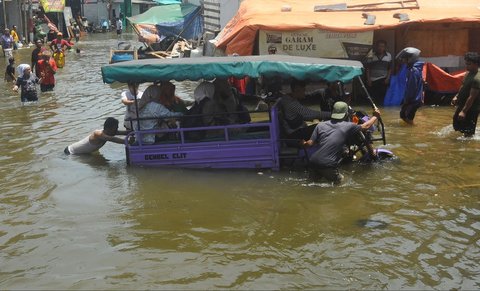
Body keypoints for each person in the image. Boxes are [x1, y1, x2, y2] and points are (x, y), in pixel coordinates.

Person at [302, 101, 381, 184]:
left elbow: (308, 144)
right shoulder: (348, 126)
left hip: (313, 162)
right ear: (346, 114)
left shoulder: (320, 125)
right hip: (328, 164)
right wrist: (375, 116)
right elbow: (366, 126)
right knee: (343, 181)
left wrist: (302, 143)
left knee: (313, 184)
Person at [451, 52, 480, 137]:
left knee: (468, 132)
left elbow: (472, 97)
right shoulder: (468, 73)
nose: (466, 66)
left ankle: (468, 147)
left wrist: (464, 111)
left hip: (472, 108)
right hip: (462, 104)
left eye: (469, 64)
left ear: (476, 64)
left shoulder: (477, 78)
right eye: (466, 64)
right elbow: (463, 86)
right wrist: (456, 96)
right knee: (456, 123)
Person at [64, 117, 129, 155]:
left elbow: (123, 132)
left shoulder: (110, 132)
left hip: (83, 153)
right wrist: (128, 142)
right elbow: (112, 139)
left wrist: (133, 131)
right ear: (108, 128)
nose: (116, 130)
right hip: (70, 153)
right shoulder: (98, 134)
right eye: (115, 129)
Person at [397, 47, 424, 124]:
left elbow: (412, 87)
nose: (402, 60)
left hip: (413, 100)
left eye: (404, 58)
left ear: (410, 58)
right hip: (413, 99)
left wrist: (407, 100)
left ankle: (413, 131)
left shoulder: (413, 70)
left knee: (407, 118)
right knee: (403, 115)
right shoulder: (414, 68)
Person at [365, 39, 392, 105]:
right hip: (373, 79)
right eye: (379, 46)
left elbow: (390, 68)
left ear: (385, 47)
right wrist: (368, 79)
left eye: (382, 46)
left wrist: (388, 78)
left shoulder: (388, 56)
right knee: (373, 98)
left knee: (382, 98)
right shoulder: (372, 55)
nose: (380, 48)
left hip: (383, 79)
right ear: (376, 47)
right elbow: (368, 68)